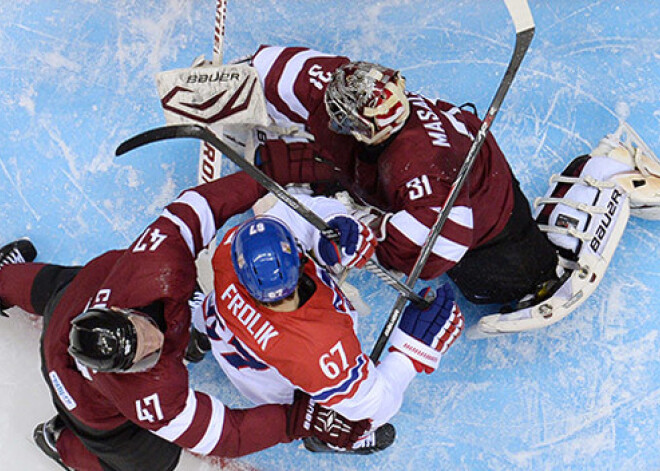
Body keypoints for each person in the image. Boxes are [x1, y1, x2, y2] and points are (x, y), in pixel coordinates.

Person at [0, 172, 371, 471]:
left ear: (119, 311)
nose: (153, 344)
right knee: (148, 462)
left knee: (56, 287)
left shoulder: (155, 263)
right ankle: (60, 443)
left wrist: (266, 174)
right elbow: (229, 434)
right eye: (142, 359)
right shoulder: (151, 396)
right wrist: (297, 421)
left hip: (73, 302)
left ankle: (2, 279)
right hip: (82, 394)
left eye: (140, 333)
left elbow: (197, 209)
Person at [191, 193, 464, 453]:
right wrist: (410, 349)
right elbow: (377, 405)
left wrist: (330, 226)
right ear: (298, 259)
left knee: (212, 309)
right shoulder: (320, 349)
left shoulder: (230, 251)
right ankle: (329, 440)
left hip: (225, 329)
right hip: (286, 393)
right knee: (353, 423)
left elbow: (285, 214)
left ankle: (197, 332)